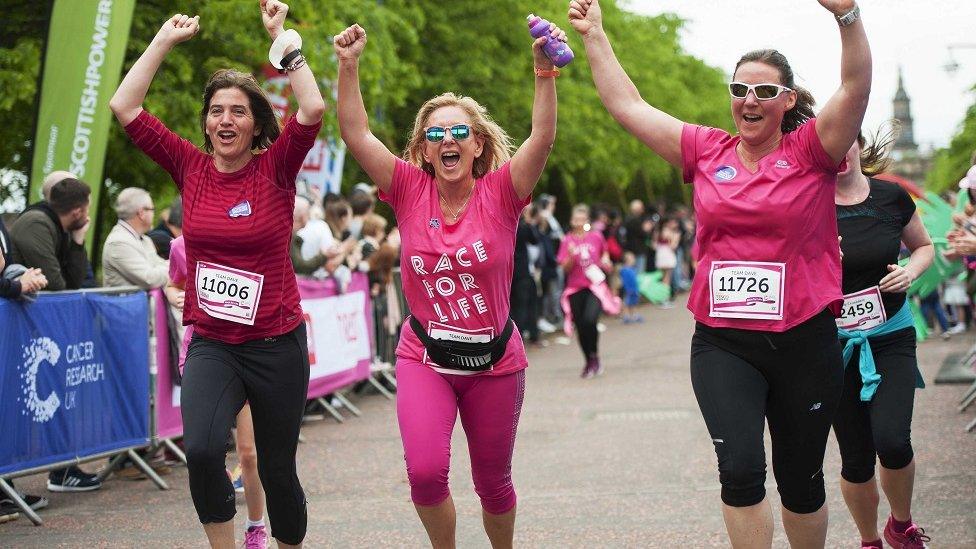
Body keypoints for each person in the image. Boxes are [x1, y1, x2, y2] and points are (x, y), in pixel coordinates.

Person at [570, 0, 872, 546]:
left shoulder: (813, 150)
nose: (748, 100)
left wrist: (847, 16)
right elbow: (627, 105)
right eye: (739, 90)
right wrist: (595, 35)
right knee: (739, 471)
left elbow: (854, 87)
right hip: (725, 343)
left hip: (804, 340)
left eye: (762, 91)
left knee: (801, 482)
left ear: (788, 101)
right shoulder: (707, 151)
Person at [334, 15, 563, 547]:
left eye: (459, 132)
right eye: (435, 135)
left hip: (494, 362)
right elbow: (355, 132)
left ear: (478, 145)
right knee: (426, 474)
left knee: (493, 485)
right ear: (423, 150)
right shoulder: (409, 189)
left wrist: (544, 73)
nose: (447, 141)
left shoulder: (503, 192)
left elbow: (543, 135)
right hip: (425, 357)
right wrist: (348, 67)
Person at [110, 1, 325, 546]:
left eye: (237, 111)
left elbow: (313, 106)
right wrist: (162, 40)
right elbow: (124, 104)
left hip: (277, 342)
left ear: (255, 124)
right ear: (206, 123)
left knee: (276, 469)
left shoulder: (276, 168)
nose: (225, 120)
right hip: (213, 342)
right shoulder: (189, 166)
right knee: (204, 450)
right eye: (216, 111)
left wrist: (283, 40)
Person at [834, 131, 934, 548]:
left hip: (891, 334)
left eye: (846, 142)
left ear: (858, 143)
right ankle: (869, 539)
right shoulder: (804, 202)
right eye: (828, 146)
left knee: (893, 440)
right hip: (834, 344)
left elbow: (924, 247)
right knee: (856, 458)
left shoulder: (891, 196)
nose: (839, 153)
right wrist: (819, 261)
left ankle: (901, 522)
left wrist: (910, 272)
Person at [168, 236, 270, 548]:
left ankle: (256, 527)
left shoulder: (250, 232)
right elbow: (173, 283)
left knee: (249, 453)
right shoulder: (180, 245)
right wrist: (178, 296)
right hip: (204, 354)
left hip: (248, 353)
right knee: (207, 452)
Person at [558, 204, 618, 377]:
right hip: (575, 288)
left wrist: (606, 261)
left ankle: (595, 355)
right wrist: (570, 256)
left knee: (590, 320)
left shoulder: (596, 237)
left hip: (594, 287)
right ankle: (589, 360)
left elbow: (604, 254)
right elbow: (565, 269)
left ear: (588, 221)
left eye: (582, 219)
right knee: (581, 325)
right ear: (571, 221)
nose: (579, 223)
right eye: (576, 219)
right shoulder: (567, 240)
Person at [102, 187, 170, 289]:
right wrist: (176, 266)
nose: (154, 213)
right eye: (152, 209)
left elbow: (159, 266)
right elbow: (150, 279)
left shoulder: (143, 239)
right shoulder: (119, 242)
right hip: (125, 305)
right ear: (141, 213)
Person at [619, 251, 642, 323]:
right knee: (626, 303)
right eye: (632, 258)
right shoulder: (624, 270)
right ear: (627, 260)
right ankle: (625, 316)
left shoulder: (632, 269)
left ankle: (633, 315)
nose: (634, 259)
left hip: (633, 290)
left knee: (633, 303)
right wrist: (628, 289)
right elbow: (624, 281)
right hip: (627, 290)